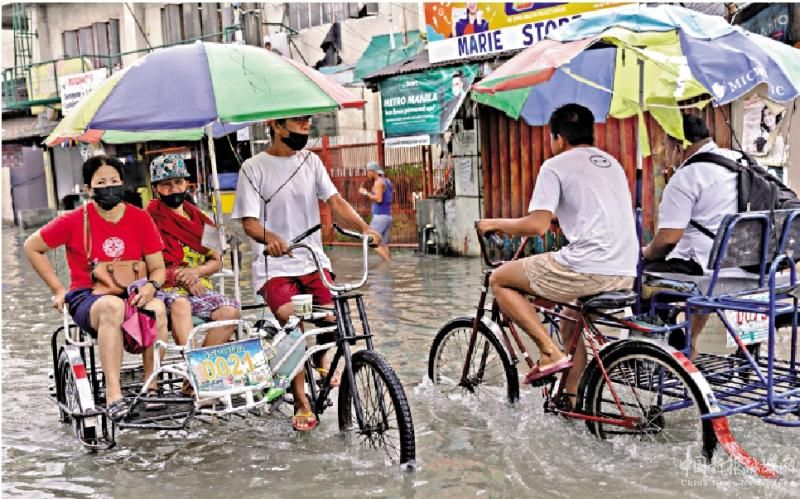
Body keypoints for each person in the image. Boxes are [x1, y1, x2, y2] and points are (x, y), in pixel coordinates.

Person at [477, 104, 638, 402]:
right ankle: (572, 398)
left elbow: (536, 226)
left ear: (559, 138)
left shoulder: (555, 165)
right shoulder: (611, 163)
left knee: (499, 279)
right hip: (625, 270)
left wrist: (494, 223)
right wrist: (558, 218)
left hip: (588, 268)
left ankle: (549, 352)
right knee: (567, 317)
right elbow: (593, 213)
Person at [231, 115, 382, 431]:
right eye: (298, 121)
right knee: (293, 323)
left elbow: (336, 202)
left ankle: (319, 360)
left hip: (313, 260)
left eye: (307, 121)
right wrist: (270, 238)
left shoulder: (311, 162)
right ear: (275, 125)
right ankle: (301, 401)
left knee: (334, 319)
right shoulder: (253, 168)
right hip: (275, 266)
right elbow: (249, 222)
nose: (305, 126)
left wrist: (365, 228)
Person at [24, 155, 169, 420]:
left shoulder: (140, 219)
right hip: (88, 296)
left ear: (123, 183)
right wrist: (58, 290)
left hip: (135, 290)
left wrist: (151, 286)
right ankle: (114, 394)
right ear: (89, 189)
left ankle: (152, 387)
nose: (109, 187)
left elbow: (158, 267)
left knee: (158, 307)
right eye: (101, 183)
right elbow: (32, 246)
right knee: (112, 306)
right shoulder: (74, 220)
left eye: (114, 181)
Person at [642, 113, 740, 360]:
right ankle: (691, 338)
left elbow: (667, 239)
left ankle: (662, 345)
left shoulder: (686, 177)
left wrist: (645, 253)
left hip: (709, 271)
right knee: (697, 263)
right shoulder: (739, 160)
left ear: (679, 147)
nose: (665, 153)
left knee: (640, 275)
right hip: (749, 266)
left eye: (665, 146)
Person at [145, 154, 239, 357]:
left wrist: (196, 272)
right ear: (156, 188)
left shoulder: (202, 219)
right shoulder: (147, 220)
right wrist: (181, 276)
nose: (174, 189)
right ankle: (194, 365)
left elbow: (217, 260)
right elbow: (145, 264)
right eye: (166, 184)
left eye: (178, 182)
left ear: (186, 183)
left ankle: (199, 365)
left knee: (230, 312)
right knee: (182, 305)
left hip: (199, 287)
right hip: (164, 290)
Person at [358, 161, 393, 262]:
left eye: (368, 172)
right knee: (383, 243)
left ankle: (388, 262)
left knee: (371, 240)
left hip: (380, 217)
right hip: (387, 216)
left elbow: (378, 199)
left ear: (373, 171)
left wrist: (365, 193)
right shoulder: (387, 181)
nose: (367, 174)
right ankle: (388, 266)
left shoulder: (378, 183)